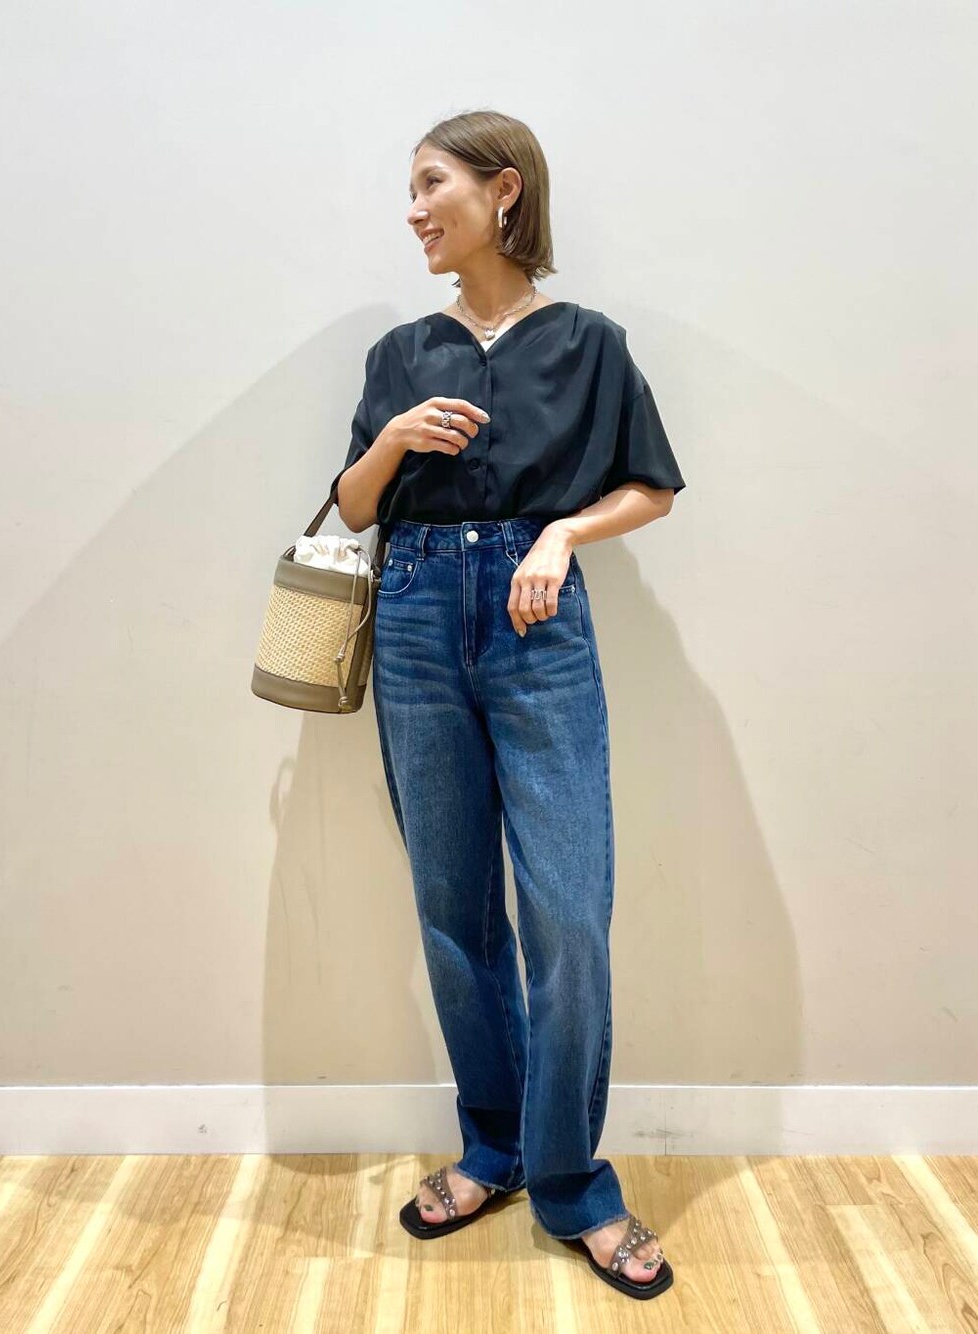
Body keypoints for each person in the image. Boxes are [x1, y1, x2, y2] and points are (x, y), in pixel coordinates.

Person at [330, 111, 685, 1302]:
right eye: (410, 188)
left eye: (431, 183)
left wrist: (562, 532)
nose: (414, 210)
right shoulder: (401, 351)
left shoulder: (587, 343)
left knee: (568, 911)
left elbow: (651, 485)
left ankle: (571, 1177)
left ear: (504, 191)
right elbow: (354, 507)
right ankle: (493, 1146)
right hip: (416, 613)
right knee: (454, 905)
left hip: (538, 622)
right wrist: (392, 437)